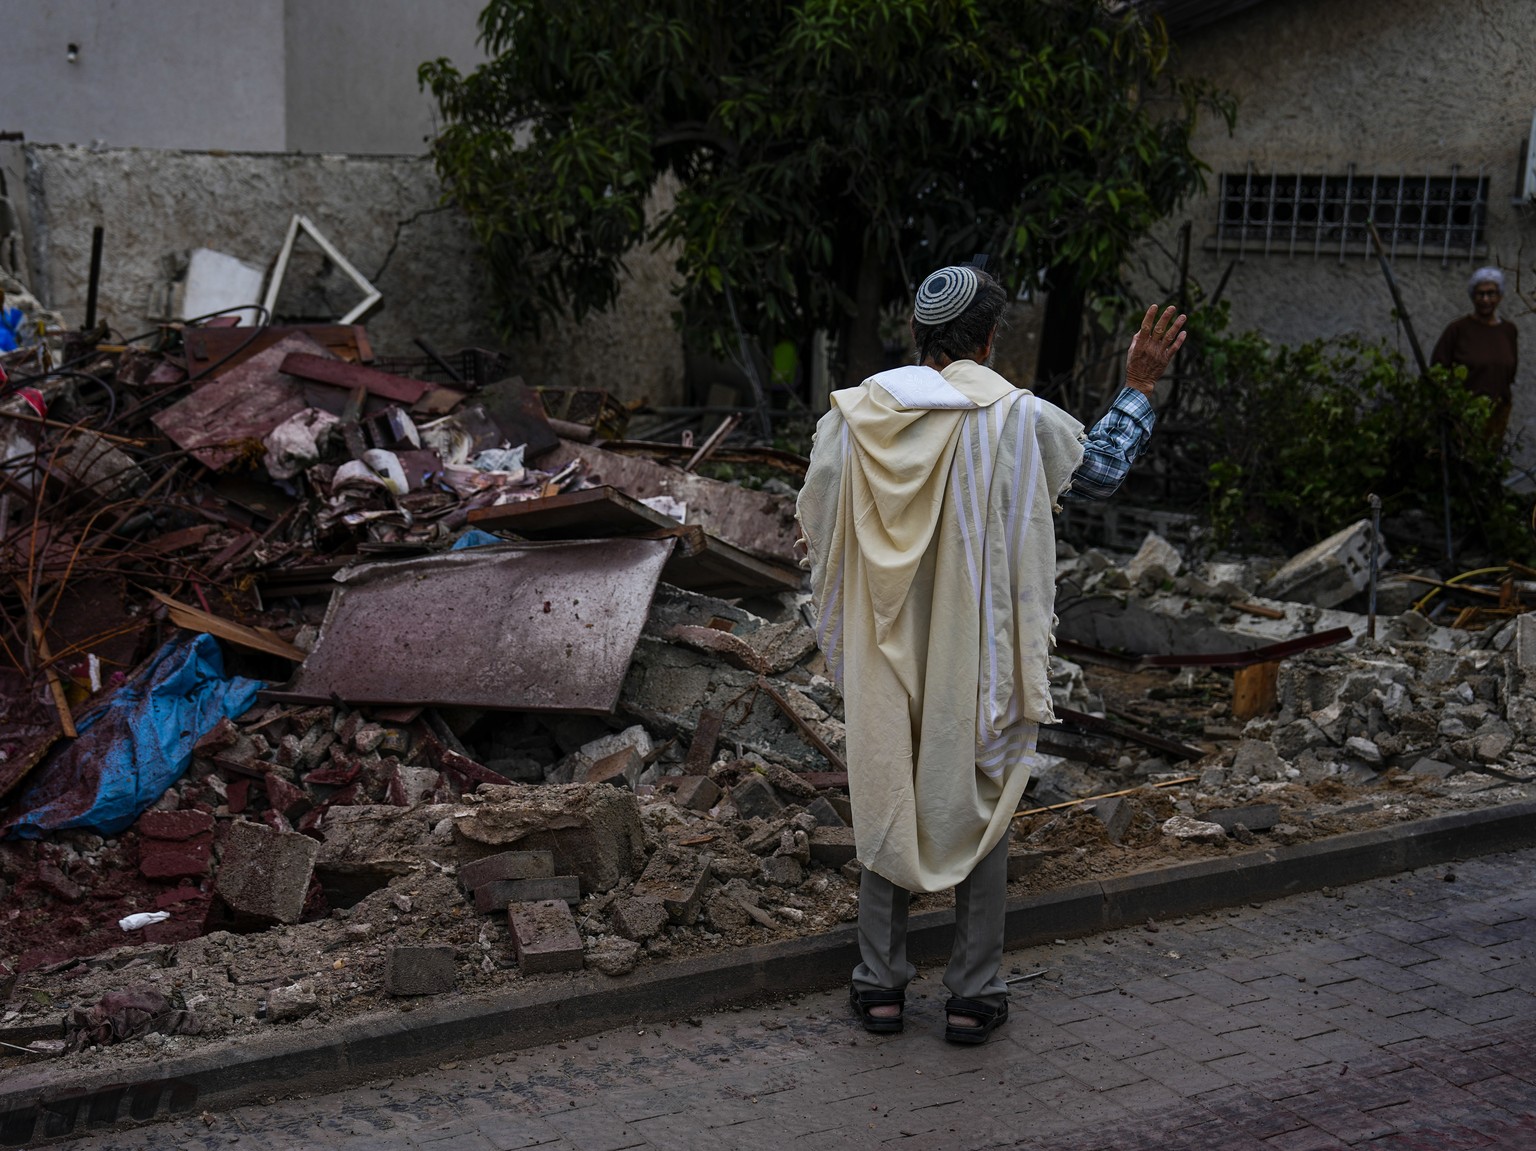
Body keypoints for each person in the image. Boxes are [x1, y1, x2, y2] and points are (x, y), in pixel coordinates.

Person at [795, 266, 1184, 1045]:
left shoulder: (854, 415)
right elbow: (1099, 471)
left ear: (918, 337)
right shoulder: (1014, 419)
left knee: (887, 780)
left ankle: (879, 986)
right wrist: (1139, 384)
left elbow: (816, 516)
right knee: (979, 787)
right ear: (989, 338)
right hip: (978, 648)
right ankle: (972, 993)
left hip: (882, 637)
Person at [1431, 267, 1518, 447]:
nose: (1485, 299)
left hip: (1497, 415)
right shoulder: (1458, 330)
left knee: (1489, 462)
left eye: (1491, 293)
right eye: (1480, 294)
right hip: (1464, 414)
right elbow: (1437, 371)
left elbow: (1510, 371)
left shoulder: (1508, 331)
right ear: (1472, 297)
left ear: (1500, 296)